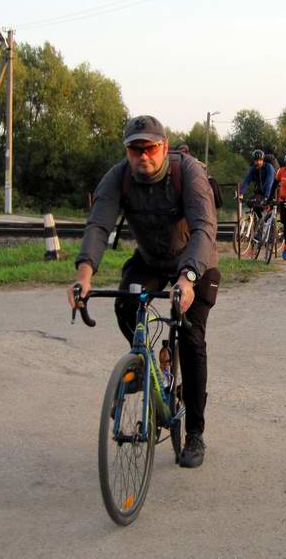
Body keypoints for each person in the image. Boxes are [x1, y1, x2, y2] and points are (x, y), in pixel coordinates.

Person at [68, 114, 221, 469]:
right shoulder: (118, 177)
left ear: (163, 147)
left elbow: (204, 228)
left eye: (149, 148)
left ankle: (195, 432)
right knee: (126, 303)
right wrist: (84, 274)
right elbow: (98, 224)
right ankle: (149, 365)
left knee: (191, 337)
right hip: (151, 260)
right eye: (134, 150)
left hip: (197, 262)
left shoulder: (189, 174)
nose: (142, 156)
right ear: (127, 151)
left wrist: (187, 278)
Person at [238, 149, 275, 219]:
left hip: (271, 192)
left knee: (264, 208)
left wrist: (266, 197)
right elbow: (247, 180)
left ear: (263, 160)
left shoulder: (269, 167)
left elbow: (269, 182)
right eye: (256, 160)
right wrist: (241, 193)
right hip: (260, 193)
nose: (258, 162)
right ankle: (260, 222)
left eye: (259, 160)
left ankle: (264, 222)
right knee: (252, 203)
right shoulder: (253, 169)